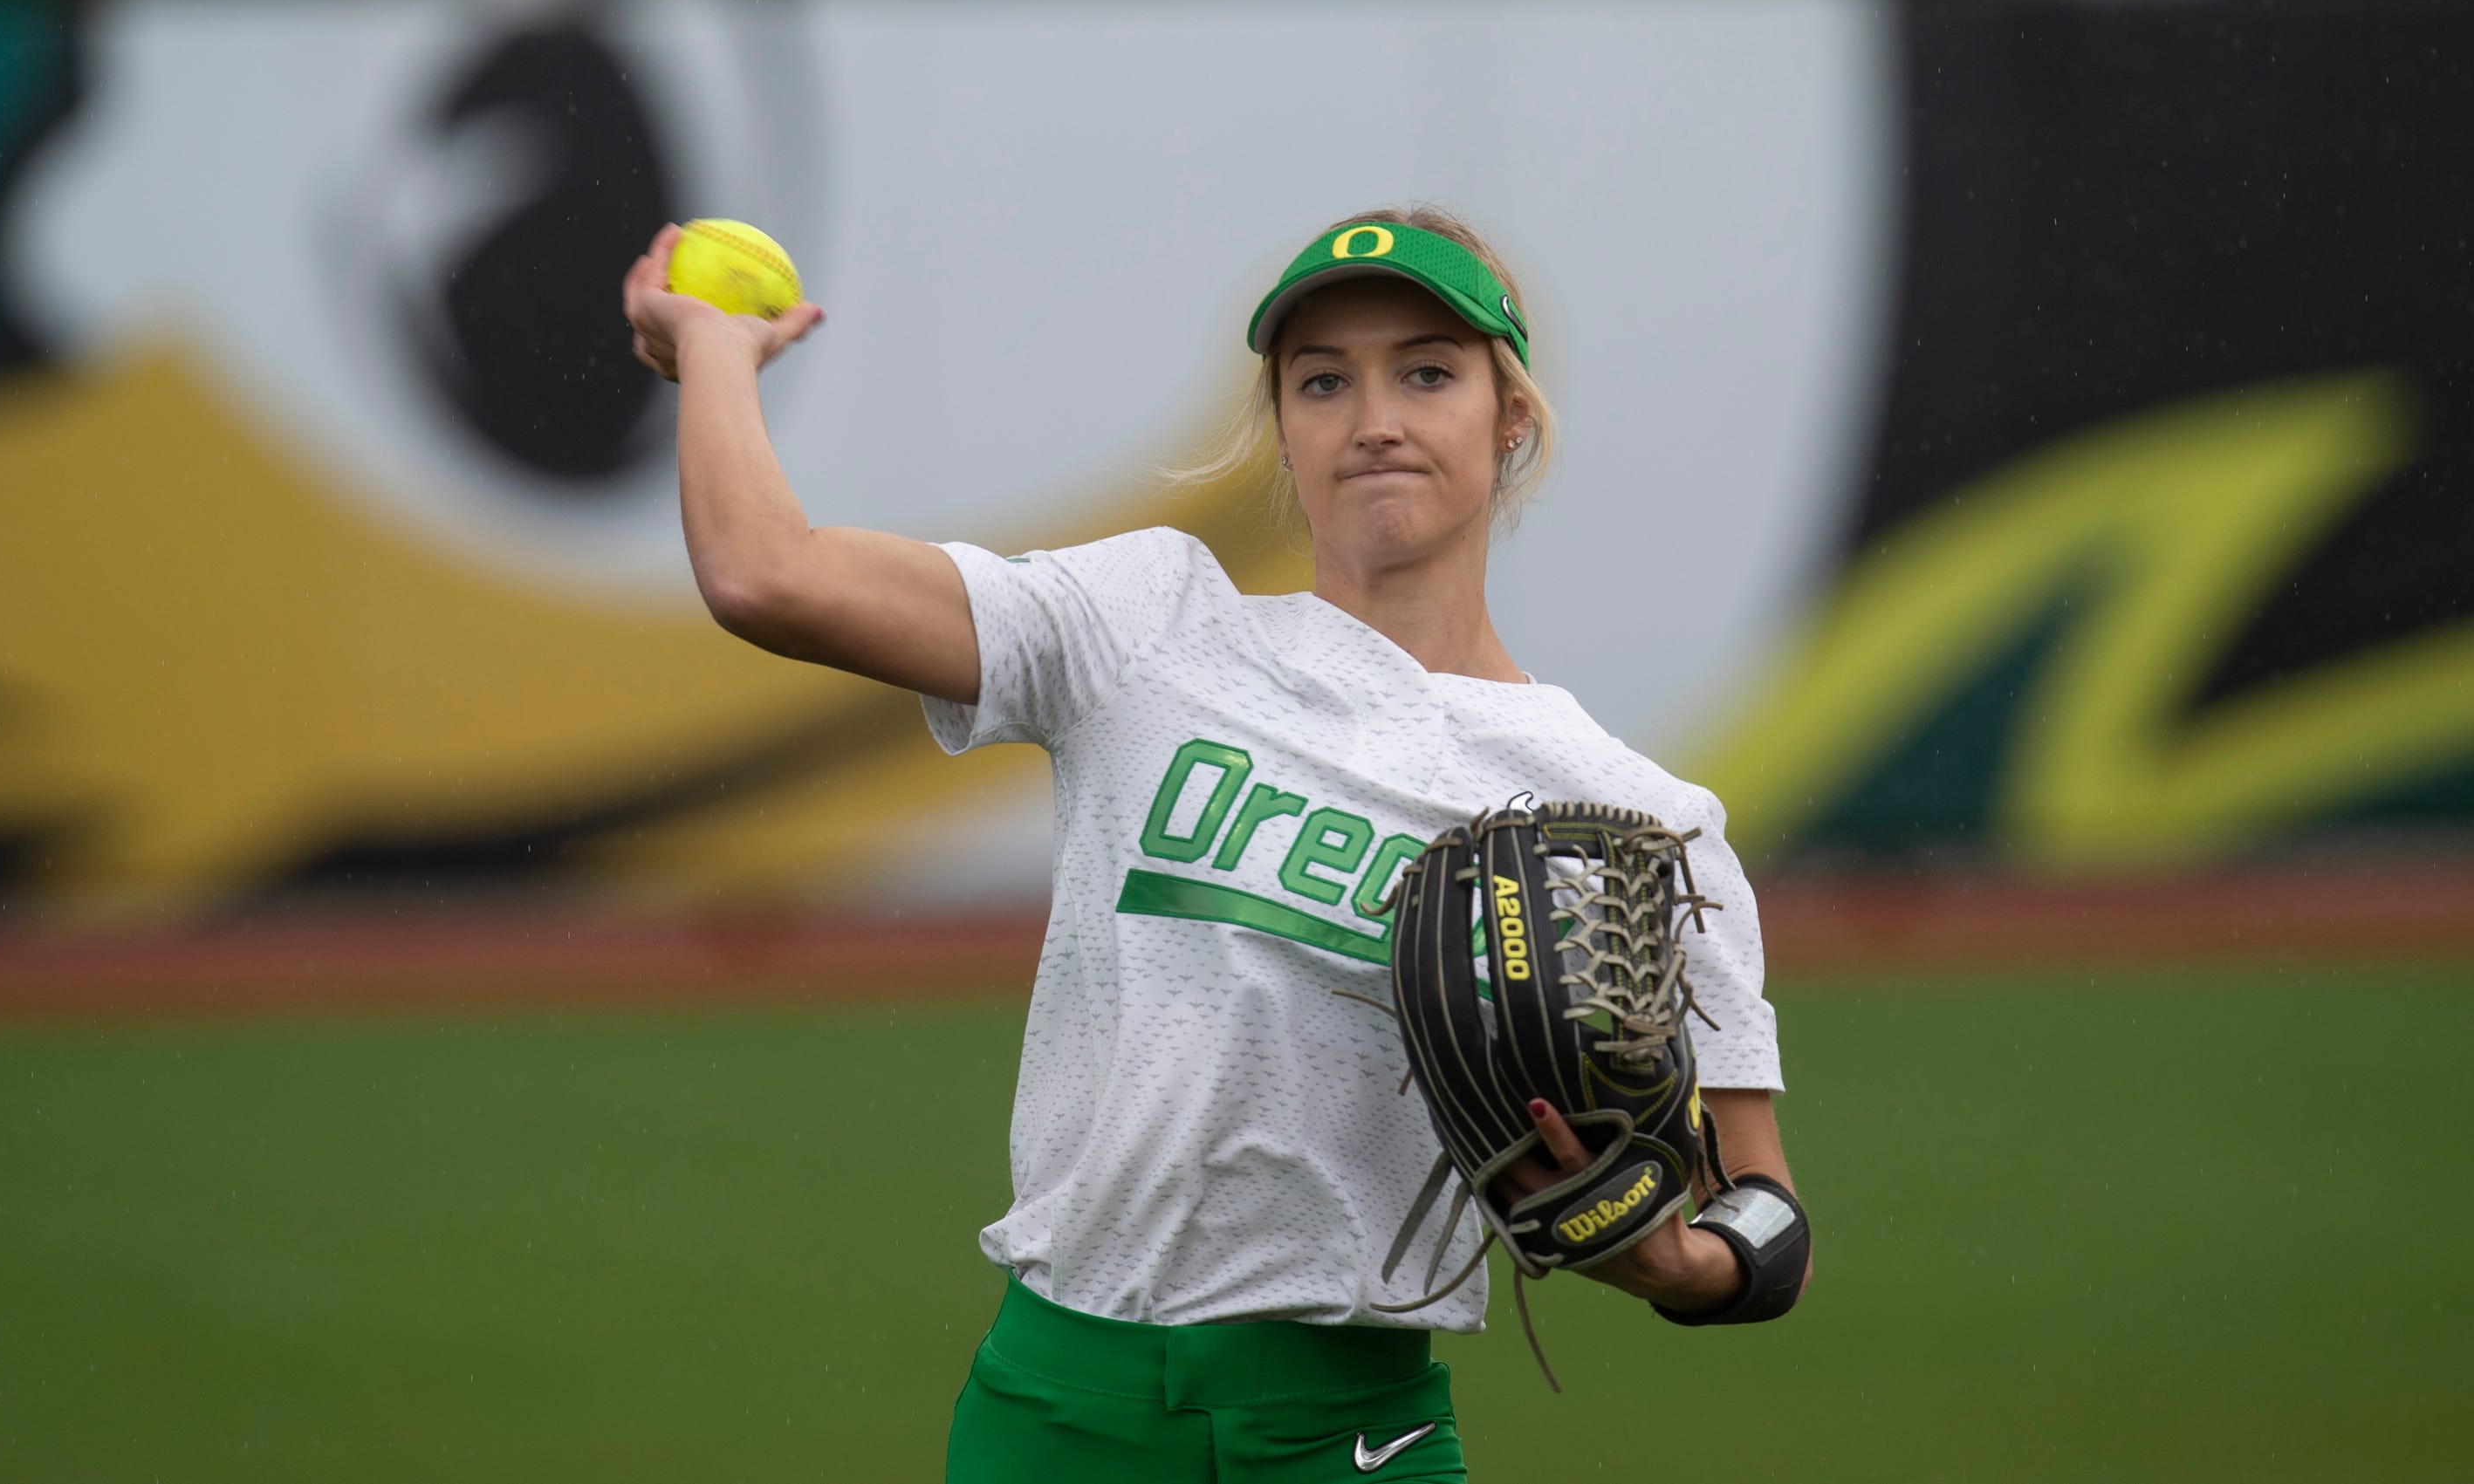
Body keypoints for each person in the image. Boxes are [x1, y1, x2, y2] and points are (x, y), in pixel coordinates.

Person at [620, 205, 1805, 1482]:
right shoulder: (1145, 625)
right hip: (1058, 1409)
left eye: (1427, 370)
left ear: (1508, 414)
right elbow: (766, 576)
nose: (1376, 417)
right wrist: (717, 354)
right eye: (1322, 381)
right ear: (1283, 433)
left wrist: (1688, 1263)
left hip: (1349, 1433)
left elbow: (1768, 1210)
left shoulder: (1636, 818)